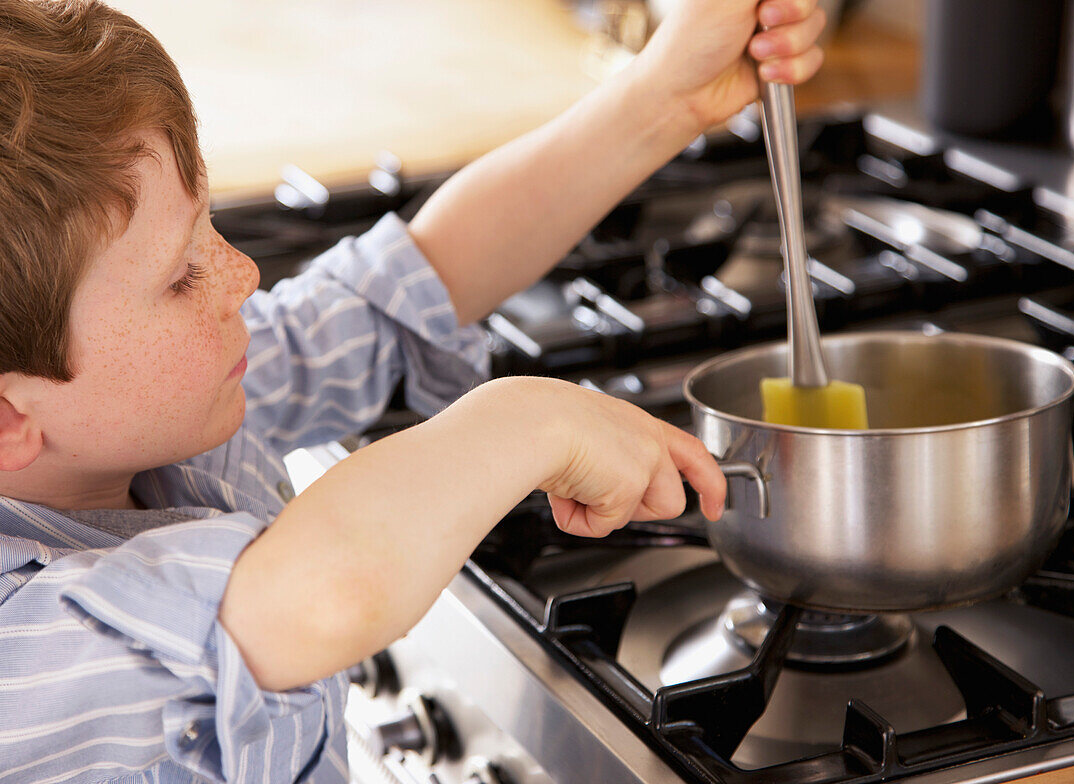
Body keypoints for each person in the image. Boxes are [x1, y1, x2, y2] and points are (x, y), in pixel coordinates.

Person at [0, 0, 825, 781]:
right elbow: (315, 598)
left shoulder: (164, 418)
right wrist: (524, 422)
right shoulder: (23, 652)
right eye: (182, 275)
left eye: (210, 226)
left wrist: (668, 95)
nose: (242, 275)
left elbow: (406, 285)